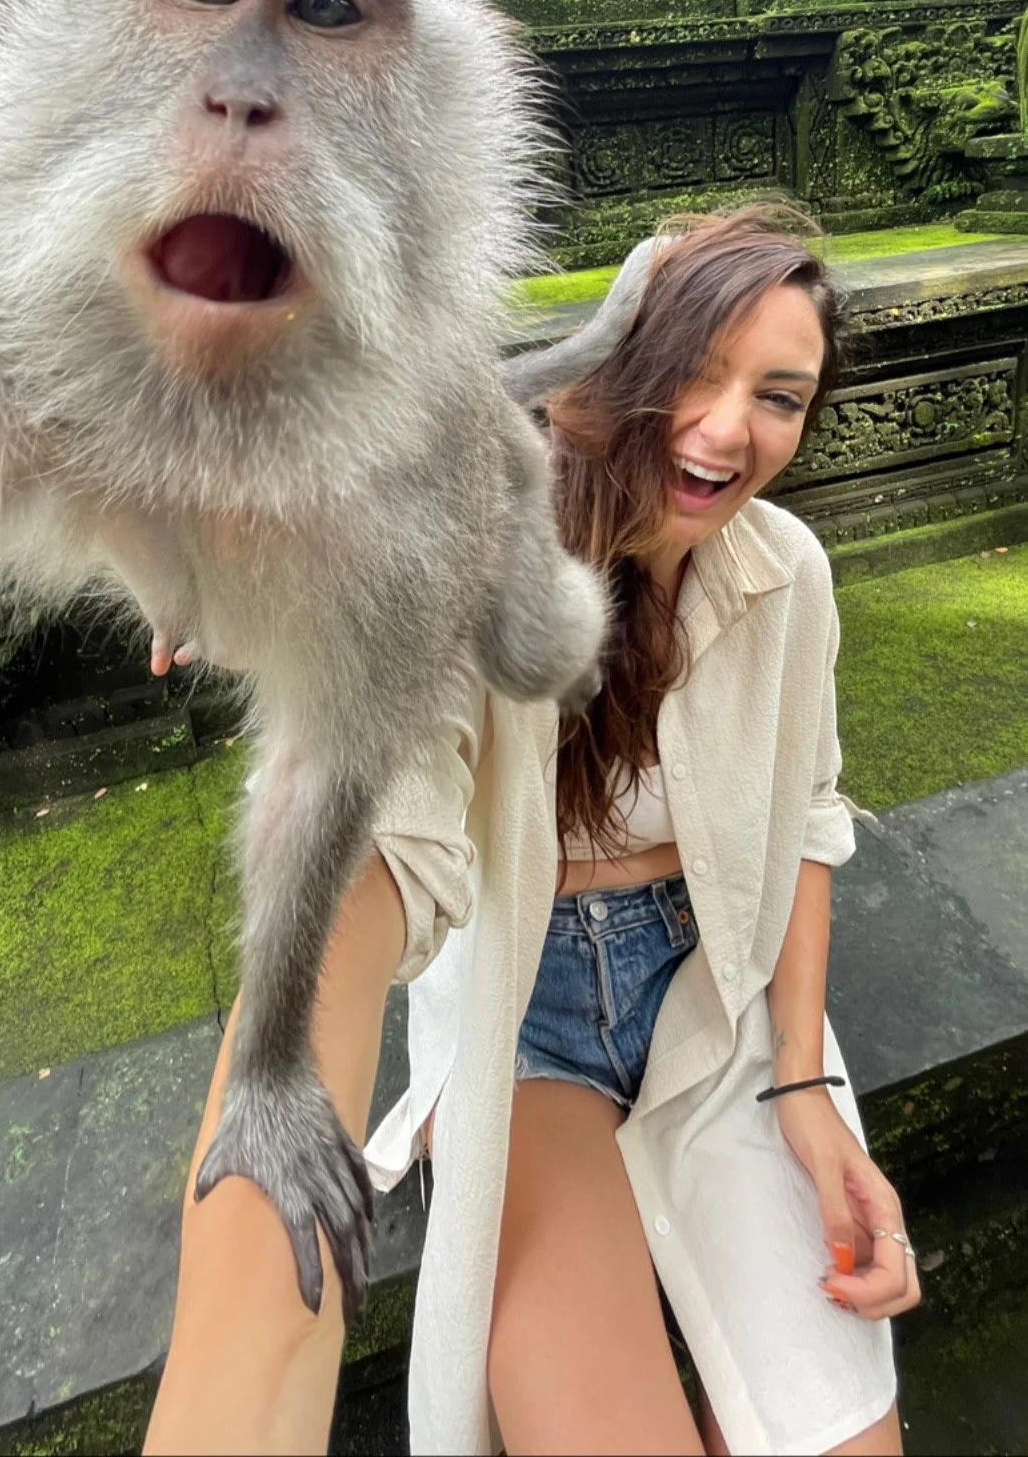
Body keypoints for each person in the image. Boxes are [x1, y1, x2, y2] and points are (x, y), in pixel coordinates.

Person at [145, 206, 921, 1457]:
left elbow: (811, 824)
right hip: (527, 1018)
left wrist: (805, 1084)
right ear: (624, 362)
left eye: (780, 394)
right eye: (695, 370)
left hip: (716, 996)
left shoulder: (789, 575)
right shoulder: (484, 552)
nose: (731, 427)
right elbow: (378, 822)